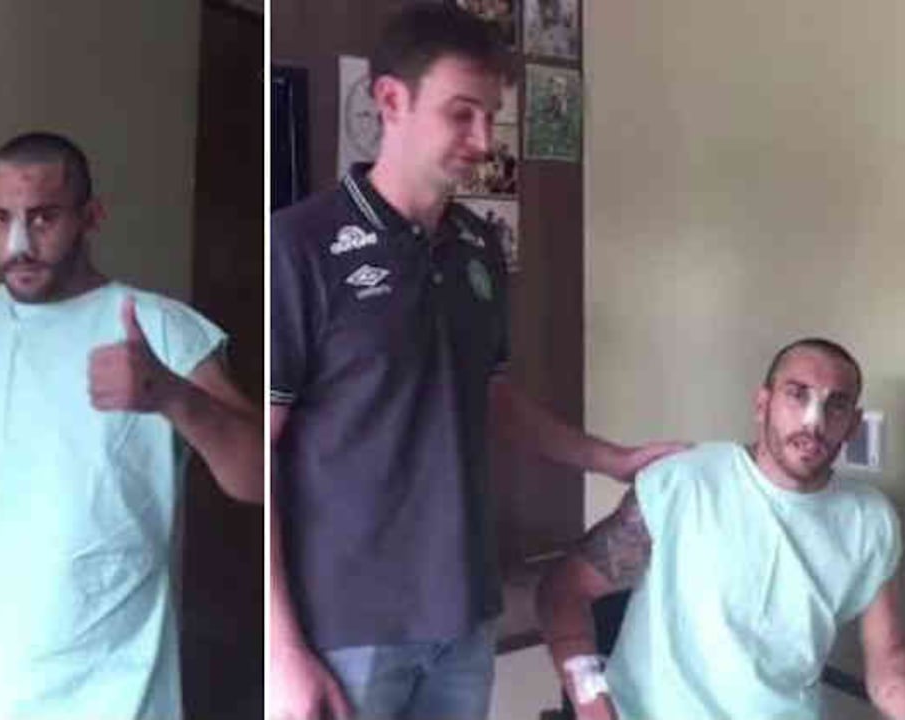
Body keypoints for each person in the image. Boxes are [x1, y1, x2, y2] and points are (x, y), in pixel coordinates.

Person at [269, 6, 683, 719]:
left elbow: (487, 397)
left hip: (464, 612)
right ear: (390, 100)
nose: (485, 141)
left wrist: (610, 459)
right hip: (344, 627)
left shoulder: (477, 246)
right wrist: (281, 648)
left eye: (492, 117)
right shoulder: (298, 245)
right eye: (462, 114)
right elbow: (262, 453)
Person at [0, 131, 261, 719]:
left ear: (92, 217)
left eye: (43, 218)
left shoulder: (159, 327)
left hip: (115, 693)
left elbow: (264, 476)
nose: (17, 244)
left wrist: (170, 394)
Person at [536, 338, 905, 720]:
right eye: (797, 395)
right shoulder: (685, 483)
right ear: (762, 404)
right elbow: (563, 592)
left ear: (853, 424)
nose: (815, 422)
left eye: (836, 405)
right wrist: (592, 705)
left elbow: (890, 673)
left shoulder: (869, 521)